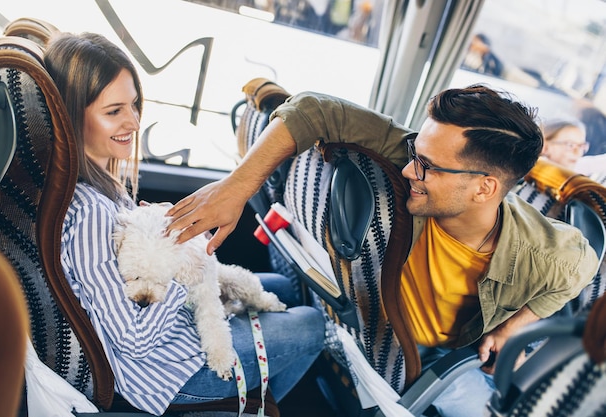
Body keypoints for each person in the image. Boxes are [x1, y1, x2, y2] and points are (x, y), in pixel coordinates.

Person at [166, 85, 599, 417]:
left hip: (453, 361)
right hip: (391, 346)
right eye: (415, 152)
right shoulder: (411, 163)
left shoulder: (548, 252)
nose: (408, 168)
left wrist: (514, 328)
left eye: (427, 166)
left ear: (484, 188)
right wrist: (236, 188)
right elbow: (312, 108)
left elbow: (582, 268)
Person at [44, 32, 325, 416]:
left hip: (174, 337)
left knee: (280, 289)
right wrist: (180, 272)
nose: (133, 121)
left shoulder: (104, 181)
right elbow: (133, 339)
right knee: (312, 324)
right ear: (72, 114)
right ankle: (239, 404)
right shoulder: (90, 213)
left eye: (134, 104)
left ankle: (248, 397)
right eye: (114, 111)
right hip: (166, 373)